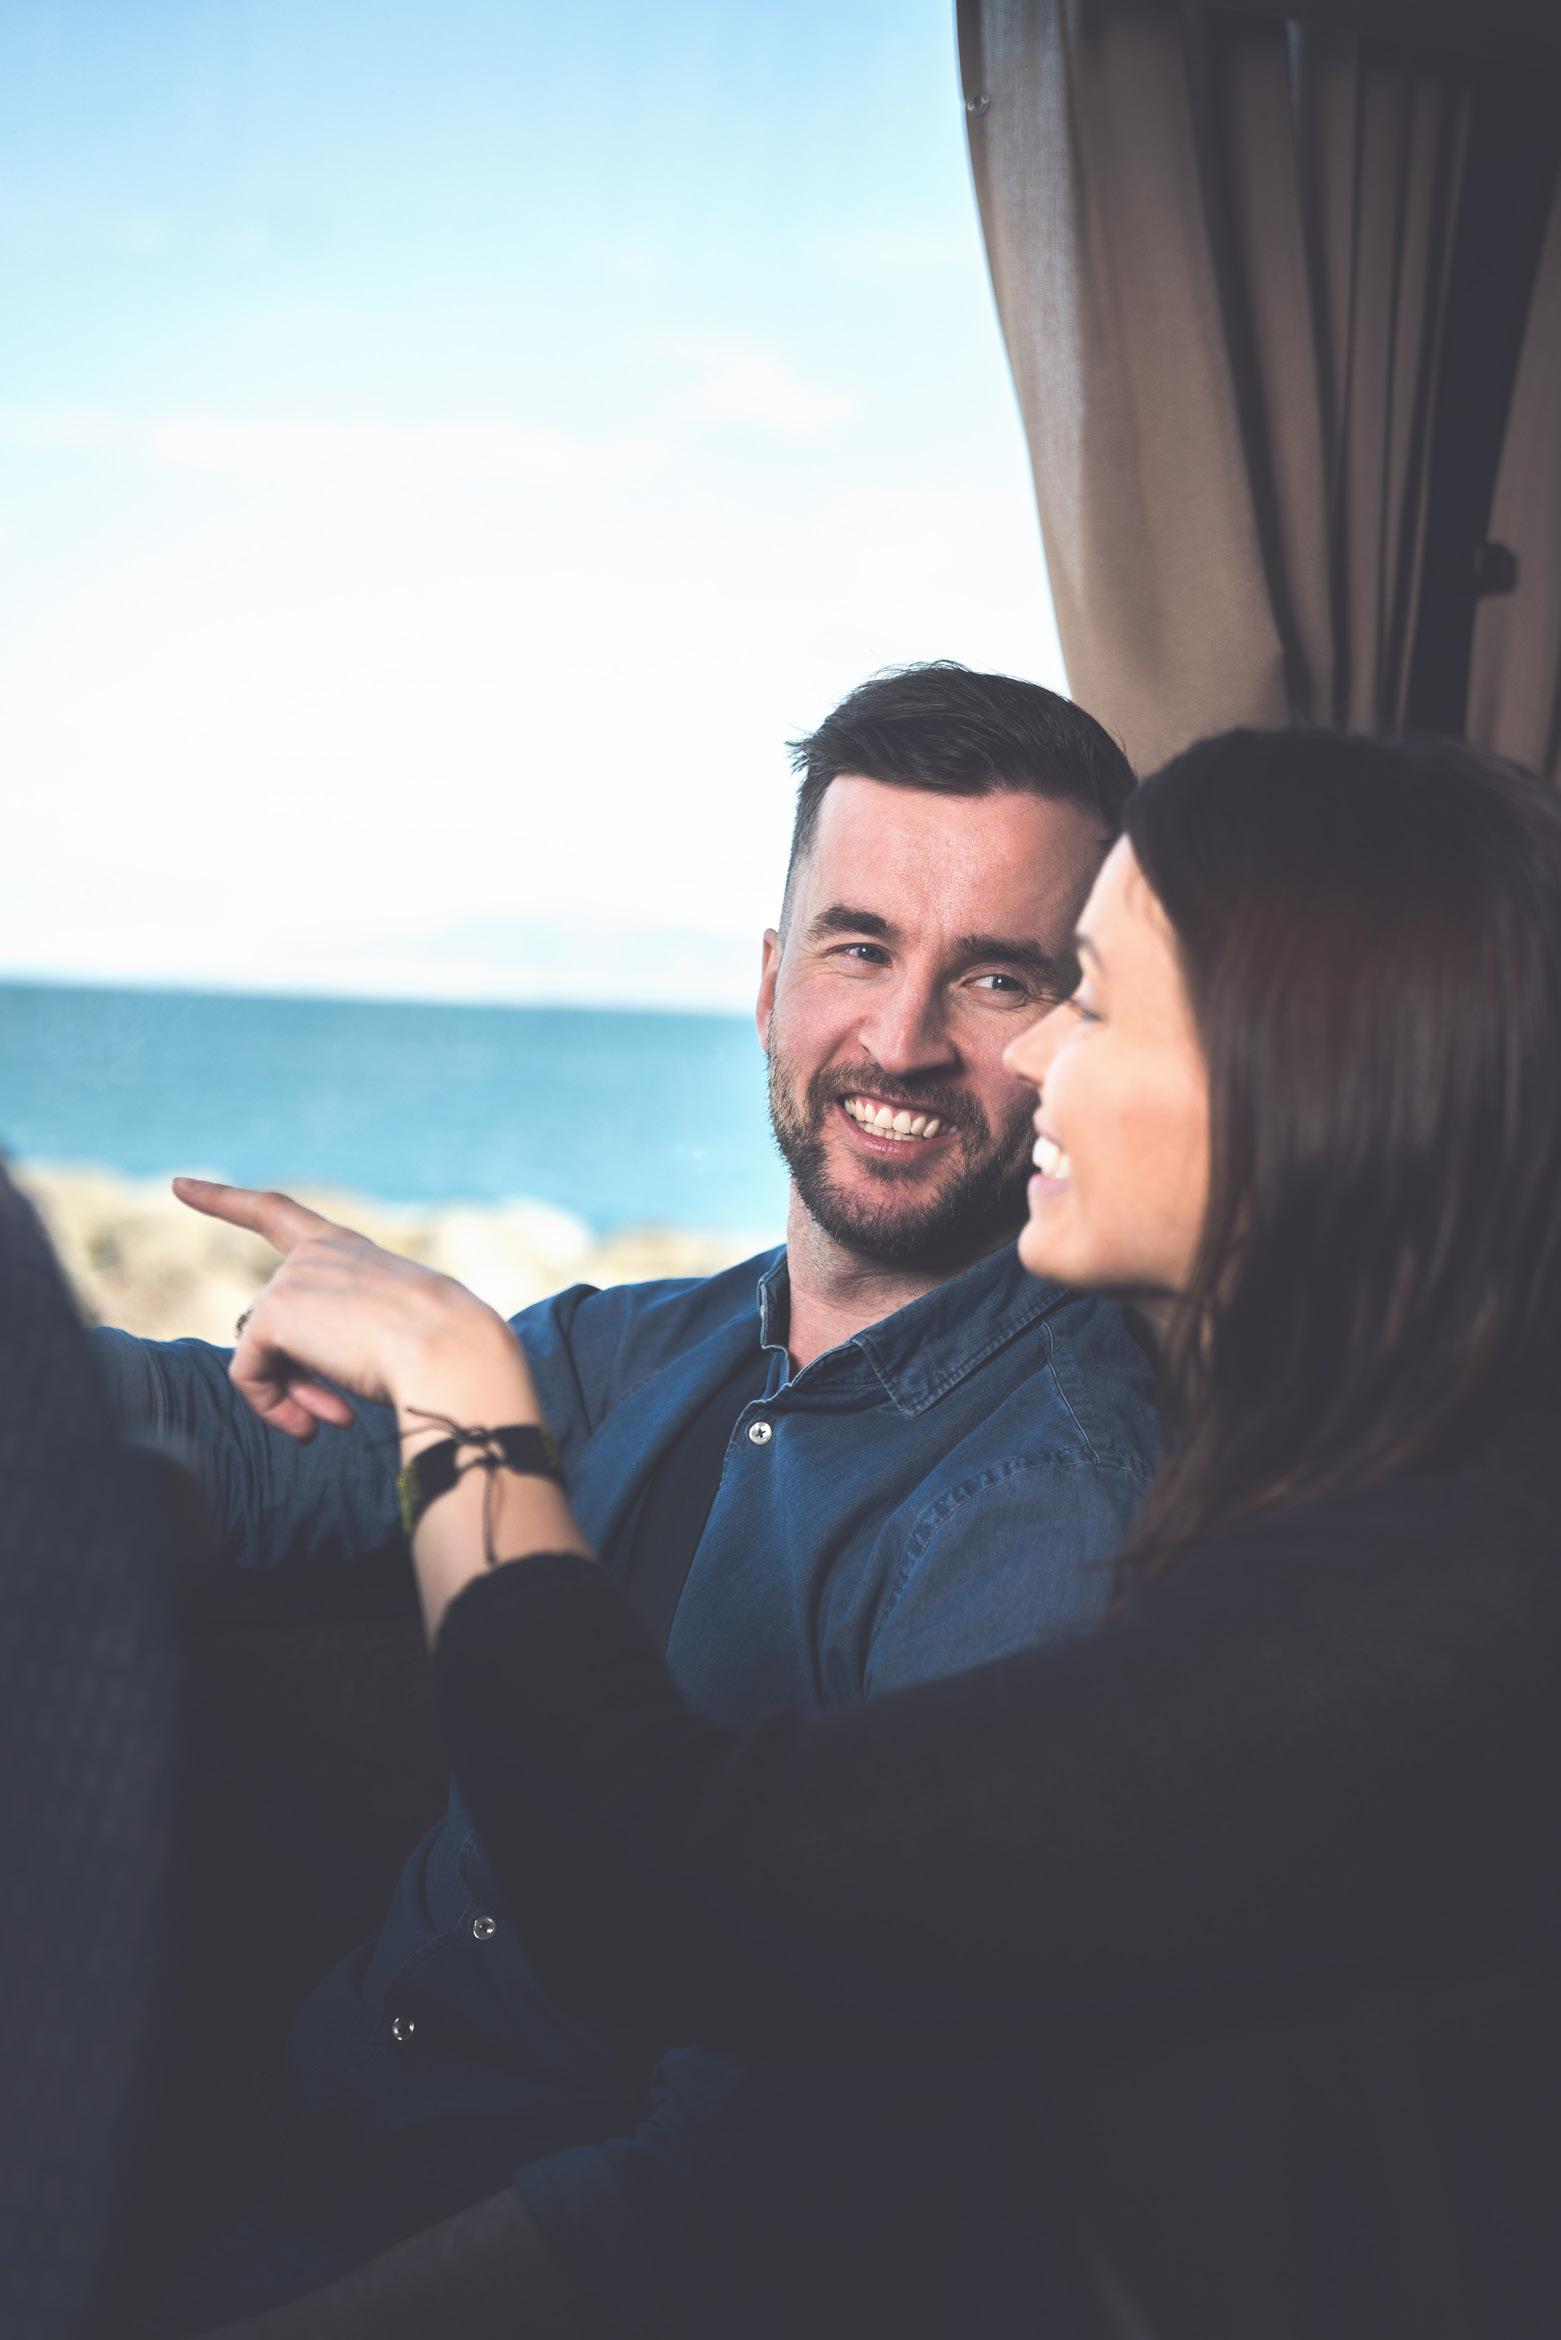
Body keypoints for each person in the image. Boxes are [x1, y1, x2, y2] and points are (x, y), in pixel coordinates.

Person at [201, 727, 1561, 2340]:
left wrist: (457, 1387)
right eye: (860, 949)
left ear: (1300, 1083)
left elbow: (661, 1900)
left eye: (1082, 997)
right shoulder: (1360, 1538)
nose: (1020, 1054)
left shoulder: (1383, 1631)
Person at [100, 664, 1160, 2336]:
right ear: (767, 979)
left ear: (1080, 1034)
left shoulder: (1046, 1516)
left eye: (994, 976)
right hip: (298, 2144)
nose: (898, 1041)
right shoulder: (652, 1345)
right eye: (858, 947)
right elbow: (240, 1443)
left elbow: (741, 2201)